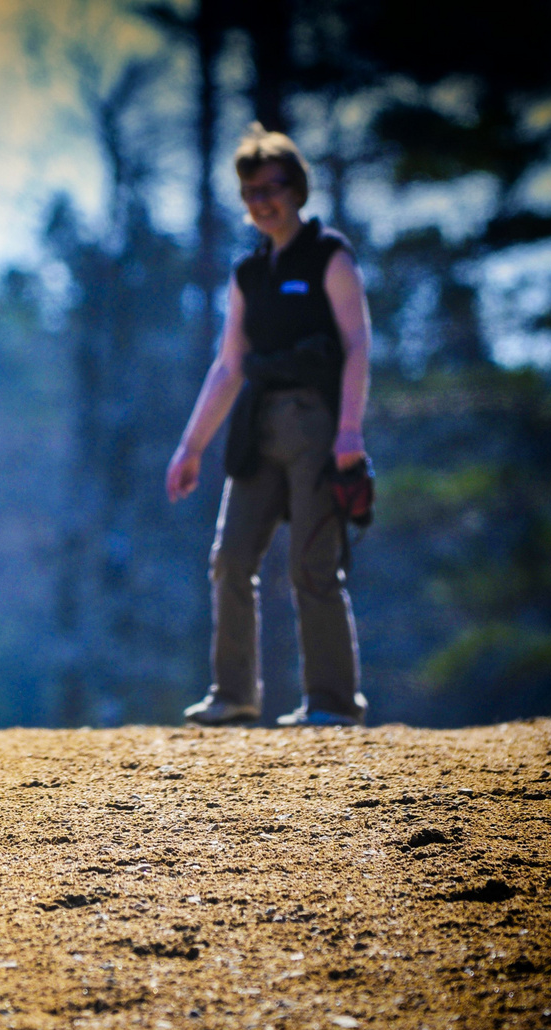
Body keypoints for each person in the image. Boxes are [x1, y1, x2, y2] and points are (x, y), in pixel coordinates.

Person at [165, 123, 371, 727]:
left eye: (272, 187)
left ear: (298, 188)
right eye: (251, 192)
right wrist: (191, 445)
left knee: (311, 565)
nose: (262, 201)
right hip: (256, 429)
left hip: (318, 424)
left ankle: (332, 703)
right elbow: (229, 366)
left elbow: (358, 343)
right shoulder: (247, 275)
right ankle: (234, 696)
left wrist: (351, 432)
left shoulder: (329, 256)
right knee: (230, 557)